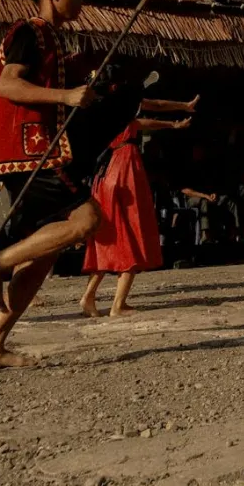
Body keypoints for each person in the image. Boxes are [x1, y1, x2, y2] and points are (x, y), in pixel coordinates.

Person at [0, 0, 103, 370]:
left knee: (45, 254)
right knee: (87, 220)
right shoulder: (28, 31)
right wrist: (65, 97)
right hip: (32, 153)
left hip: (39, 150)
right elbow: (7, 85)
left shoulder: (52, 40)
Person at [78, 90, 198, 316]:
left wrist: (181, 107)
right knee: (131, 232)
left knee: (107, 236)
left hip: (104, 173)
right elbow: (154, 107)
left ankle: (89, 296)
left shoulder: (95, 106)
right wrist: (177, 116)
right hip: (123, 167)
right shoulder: (120, 103)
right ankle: (118, 304)